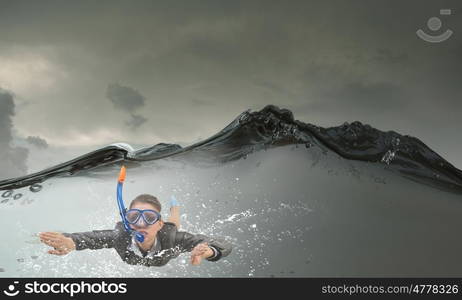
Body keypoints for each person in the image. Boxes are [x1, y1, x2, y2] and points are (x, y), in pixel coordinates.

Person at [38, 194, 232, 267]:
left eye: (149, 218)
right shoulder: (120, 236)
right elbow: (91, 238)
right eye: (133, 217)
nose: (141, 224)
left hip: (167, 238)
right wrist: (71, 242)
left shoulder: (172, 237)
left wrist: (210, 251)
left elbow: (222, 243)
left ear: (158, 223)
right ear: (128, 222)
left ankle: (175, 208)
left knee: (173, 224)